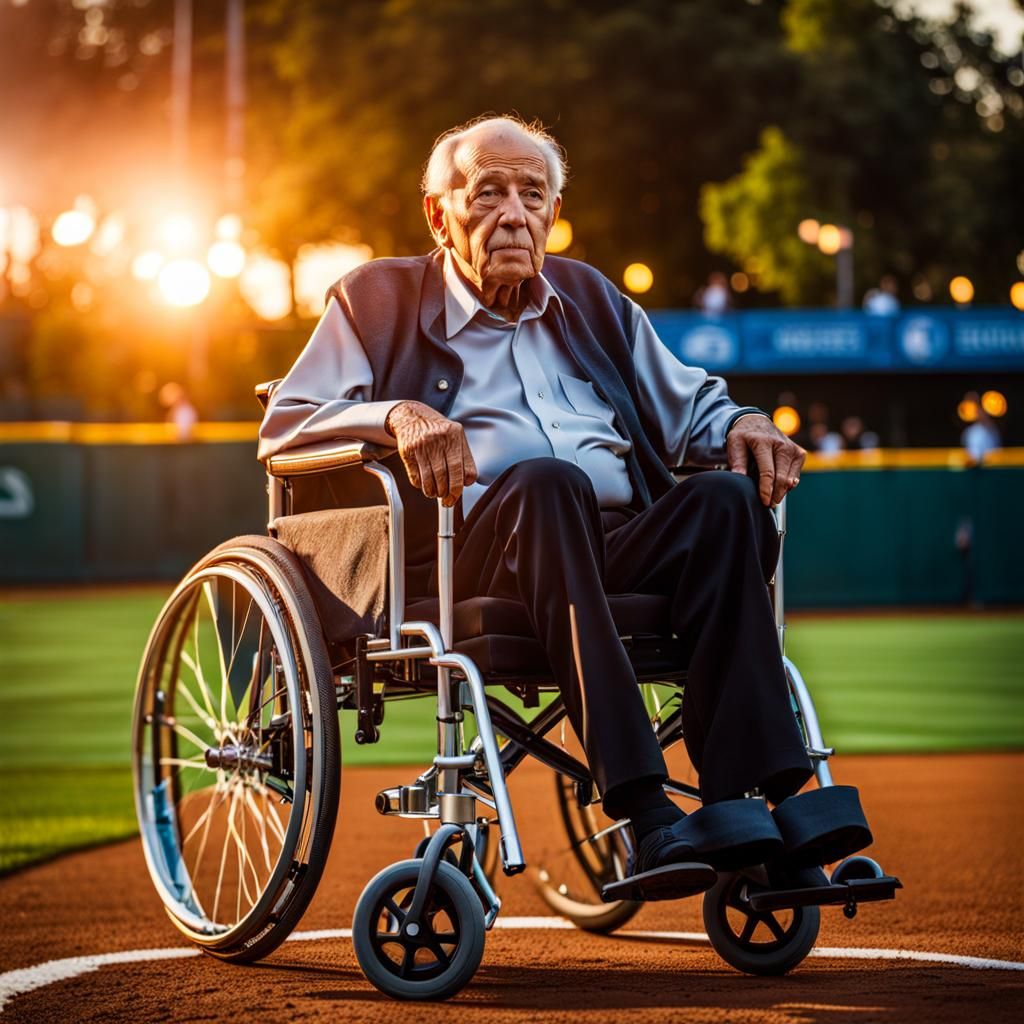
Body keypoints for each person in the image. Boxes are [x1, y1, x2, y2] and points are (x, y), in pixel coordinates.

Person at [259, 115, 871, 899]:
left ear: (552, 213)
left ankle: (760, 804)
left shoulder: (592, 297)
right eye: (487, 194)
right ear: (438, 214)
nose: (513, 214)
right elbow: (286, 423)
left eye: (532, 195)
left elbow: (691, 407)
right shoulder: (374, 297)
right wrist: (396, 416)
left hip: (607, 541)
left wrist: (744, 423)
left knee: (723, 502)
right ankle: (646, 811)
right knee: (551, 482)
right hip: (472, 551)